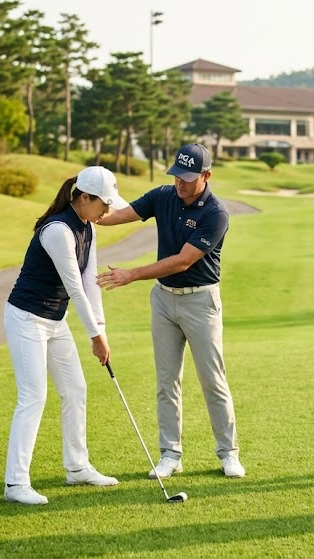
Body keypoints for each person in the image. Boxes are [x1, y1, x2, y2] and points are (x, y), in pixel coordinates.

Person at [95, 143, 245, 479]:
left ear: (206, 176)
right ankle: (170, 454)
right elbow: (117, 215)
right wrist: (85, 205)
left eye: (188, 178)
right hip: (163, 300)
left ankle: (228, 454)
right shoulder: (163, 195)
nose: (180, 183)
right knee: (167, 382)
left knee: (212, 380)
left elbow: (183, 261)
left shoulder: (215, 213)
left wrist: (132, 274)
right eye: (177, 175)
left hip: (200, 302)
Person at [2, 166, 128, 505]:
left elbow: (90, 282)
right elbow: (74, 288)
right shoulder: (58, 230)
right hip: (27, 318)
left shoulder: (88, 227)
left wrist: (101, 329)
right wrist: (94, 338)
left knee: (75, 388)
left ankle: (77, 467)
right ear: (84, 197)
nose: (107, 211)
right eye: (104, 203)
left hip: (55, 320)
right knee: (33, 397)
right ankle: (15, 484)